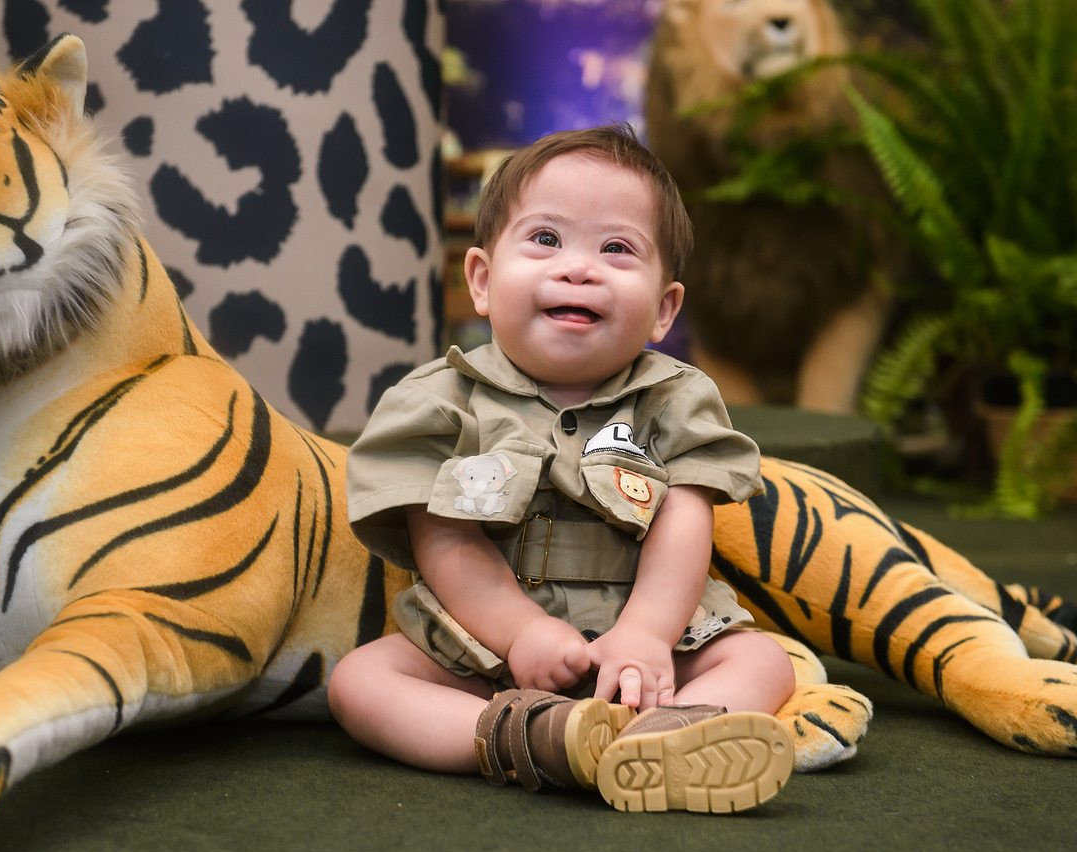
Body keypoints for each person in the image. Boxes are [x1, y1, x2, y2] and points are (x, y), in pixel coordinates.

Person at [330, 124, 796, 814]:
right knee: (361, 683)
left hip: (643, 647)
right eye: (546, 239)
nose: (578, 269)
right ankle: (530, 738)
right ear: (482, 280)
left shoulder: (675, 401)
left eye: (616, 249)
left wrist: (646, 636)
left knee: (764, 660)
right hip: (482, 651)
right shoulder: (437, 402)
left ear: (664, 309)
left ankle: (667, 735)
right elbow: (444, 538)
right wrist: (519, 632)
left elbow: (684, 520)